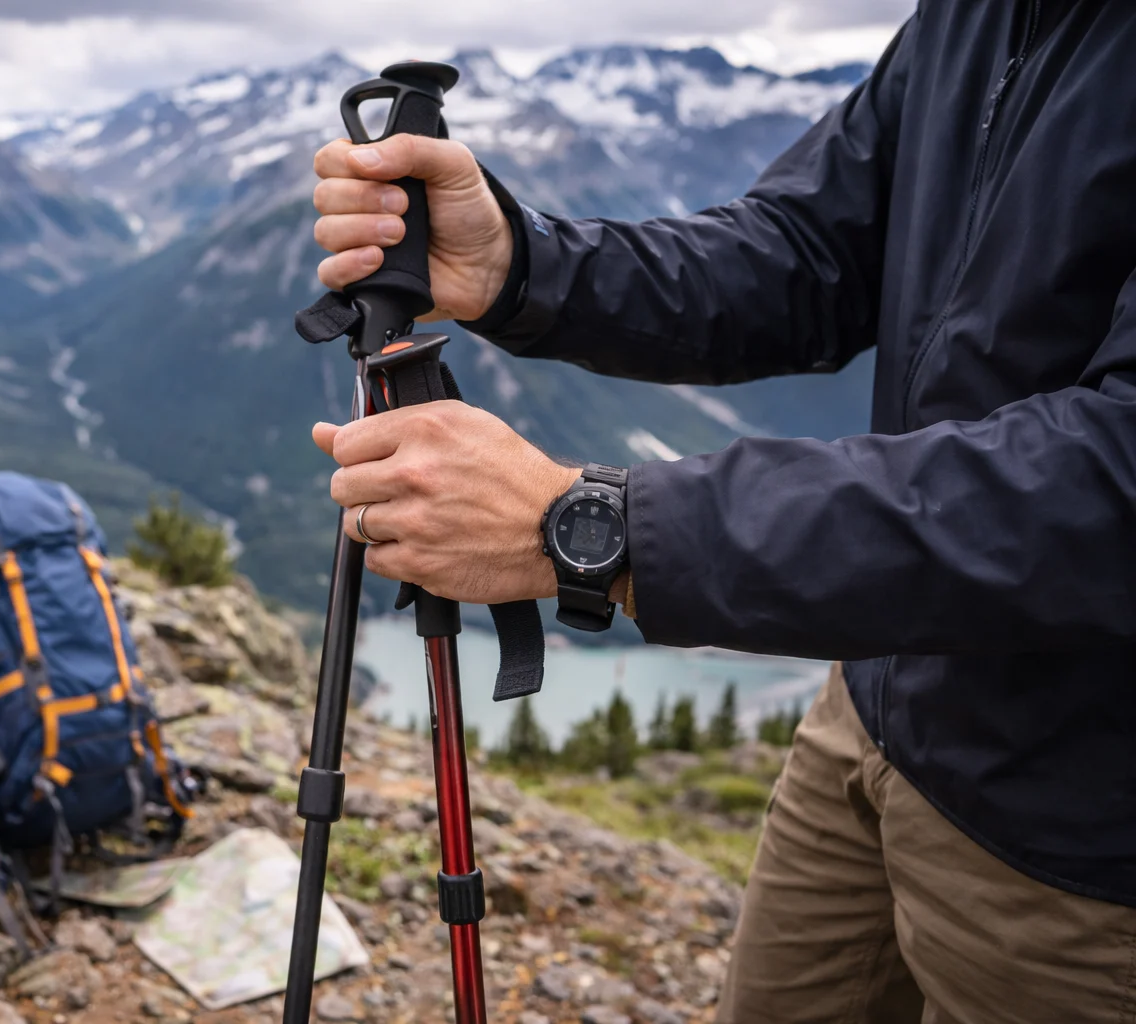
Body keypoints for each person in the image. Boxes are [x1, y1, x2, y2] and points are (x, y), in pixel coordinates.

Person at [308, 4, 1136, 1022]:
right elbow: (809, 254)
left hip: (1087, 839)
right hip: (882, 707)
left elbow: (1109, 484)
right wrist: (523, 266)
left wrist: (593, 527)